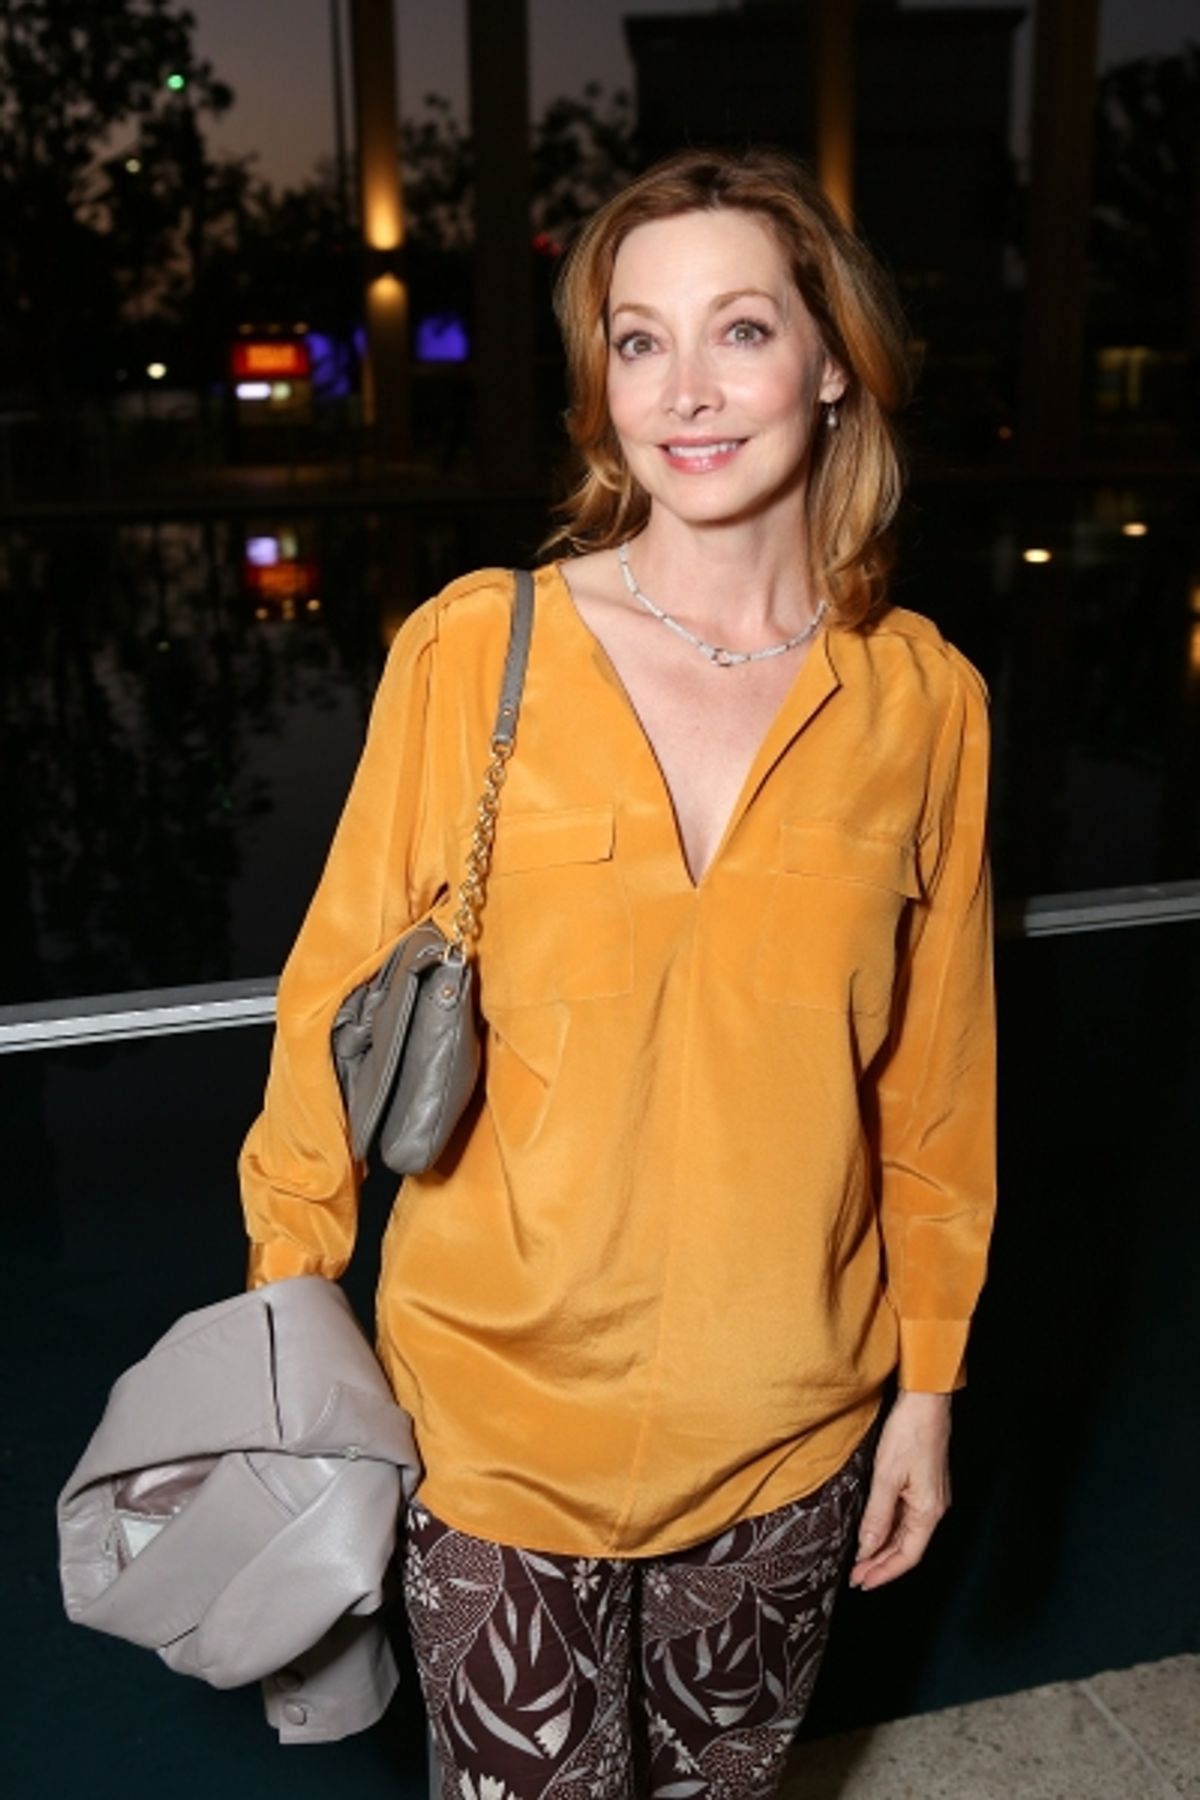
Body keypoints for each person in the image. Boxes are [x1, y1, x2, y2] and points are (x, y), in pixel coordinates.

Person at [239, 146, 996, 1799]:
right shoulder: (474, 651)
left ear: (832, 369)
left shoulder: (925, 703)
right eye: (638, 340)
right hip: (496, 1426)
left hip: (792, 1427)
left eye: (739, 329)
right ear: (600, 386)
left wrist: (926, 1391)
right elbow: (329, 1005)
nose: (687, 388)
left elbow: (936, 1088)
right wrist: (291, 1304)